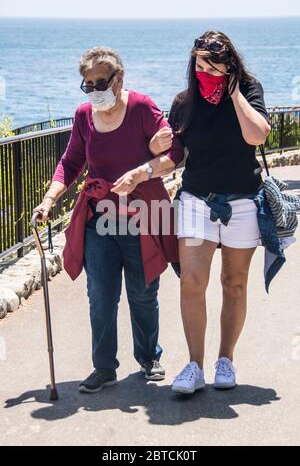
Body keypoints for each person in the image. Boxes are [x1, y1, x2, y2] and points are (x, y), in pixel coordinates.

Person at [33, 46, 184, 393]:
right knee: (100, 294)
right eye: (89, 83)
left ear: (120, 78)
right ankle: (104, 367)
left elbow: (174, 153)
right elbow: (70, 163)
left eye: (103, 80)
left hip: (144, 217)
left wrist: (145, 167)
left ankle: (149, 358)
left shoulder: (143, 107)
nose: (96, 88)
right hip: (100, 220)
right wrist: (49, 199)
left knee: (143, 292)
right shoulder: (84, 115)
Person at [151, 31, 271, 394]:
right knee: (192, 280)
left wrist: (234, 93)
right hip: (196, 199)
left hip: (242, 200)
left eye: (213, 65)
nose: (204, 71)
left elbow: (258, 136)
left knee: (233, 284)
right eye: (199, 64)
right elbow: (177, 154)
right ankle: (194, 365)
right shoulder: (184, 102)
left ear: (229, 63)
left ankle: (226, 359)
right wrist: (156, 152)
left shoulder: (249, 90)